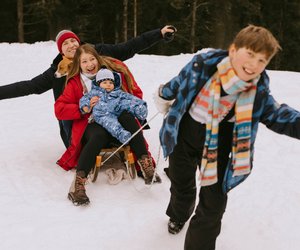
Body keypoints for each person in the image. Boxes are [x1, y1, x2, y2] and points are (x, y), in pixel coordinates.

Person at [154, 24, 300, 250]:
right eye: (250, 55)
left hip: (220, 145)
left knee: (213, 206)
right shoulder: (203, 65)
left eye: (262, 60)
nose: (254, 65)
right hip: (185, 133)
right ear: (233, 51)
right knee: (181, 183)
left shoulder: (257, 90)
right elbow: (178, 83)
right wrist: (163, 95)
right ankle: (178, 214)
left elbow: (279, 115)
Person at [0, 25, 177, 148]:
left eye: (72, 41)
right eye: (65, 44)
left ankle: (129, 146)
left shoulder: (97, 53)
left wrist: (159, 34)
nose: (71, 45)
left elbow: (128, 48)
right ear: (61, 51)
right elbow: (29, 86)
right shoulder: (57, 71)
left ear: (79, 42)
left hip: (108, 111)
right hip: (79, 119)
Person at [55, 44, 161, 206]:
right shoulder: (75, 83)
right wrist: (84, 107)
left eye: (92, 59)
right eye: (84, 61)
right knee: (98, 134)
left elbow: (134, 93)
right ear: (78, 64)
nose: (90, 64)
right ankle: (79, 185)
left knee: (127, 117)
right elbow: (60, 109)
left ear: (98, 59)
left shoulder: (113, 75)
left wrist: (126, 104)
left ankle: (145, 165)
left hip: (120, 122)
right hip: (94, 123)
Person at [80, 68, 148, 144]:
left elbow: (129, 97)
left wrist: (139, 103)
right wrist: (86, 106)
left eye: (110, 82)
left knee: (126, 102)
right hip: (103, 114)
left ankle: (139, 110)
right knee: (111, 124)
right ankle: (121, 134)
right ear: (98, 84)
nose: (108, 84)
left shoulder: (117, 92)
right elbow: (84, 99)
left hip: (117, 108)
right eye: (105, 82)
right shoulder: (94, 93)